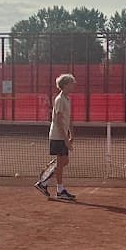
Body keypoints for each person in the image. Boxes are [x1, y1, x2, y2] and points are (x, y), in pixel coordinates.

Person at [34, 73, 77, 201]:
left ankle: (44, 183)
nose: (73, 85)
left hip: (62, 135)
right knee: (61, 161)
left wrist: (72, 134)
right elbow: (58, 120)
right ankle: (59, 189)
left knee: (64, 161)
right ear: (65, 85)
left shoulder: (67, 99)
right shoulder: (59, 99)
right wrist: (65, 139)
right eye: (71, 83)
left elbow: (68, 120)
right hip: (57, 136)